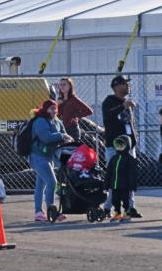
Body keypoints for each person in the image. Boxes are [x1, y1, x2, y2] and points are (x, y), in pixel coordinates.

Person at [101, 75, 142, 219]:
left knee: (129, 177)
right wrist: (123, 106)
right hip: (114, 146)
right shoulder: (109, 101)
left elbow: (129, 124)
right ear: (117, 86)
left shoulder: (126, 102)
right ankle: (107, 208)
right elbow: (108, 117)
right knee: (114, 177)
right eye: (125, 84)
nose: (128, 86)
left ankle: (130, 207)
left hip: (129, 147)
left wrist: (134, 139)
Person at [30, 99, 74, 222]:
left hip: (48, 157)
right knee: (52, 182)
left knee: (40, 185)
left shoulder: (57, 121)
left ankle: (39, 212)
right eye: (51, 108)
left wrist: (66, 138)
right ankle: (52, 210)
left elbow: (64, 133)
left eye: (55, 108)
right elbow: (45, 137)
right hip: (38, 157)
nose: (54, 111)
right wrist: (61, 136)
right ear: (45, 109)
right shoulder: (40, 121)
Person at [104, 135, 138, 223]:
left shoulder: (130, 159)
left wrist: (132, 186)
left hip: (125, 186)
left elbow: (133, 174)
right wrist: (106, 185)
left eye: (121, 145)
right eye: (117, 145)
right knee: (115, 200)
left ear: (127, 146)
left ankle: (127, 213)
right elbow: (109, 173)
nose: (119, 147)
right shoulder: (114, 159)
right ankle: (117, 213)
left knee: (126, 200)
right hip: (115, 185)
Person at [57, 77, 93, 142]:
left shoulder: (73, 99)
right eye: (60, 85)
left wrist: (75, 115)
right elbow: (57, 114)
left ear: (70, 86)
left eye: (64, 84)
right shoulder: (59, 100)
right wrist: (57, 104)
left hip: (72, 129)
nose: (62, 86)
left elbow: (89, 111)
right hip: (61, 129)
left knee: (73, 150)